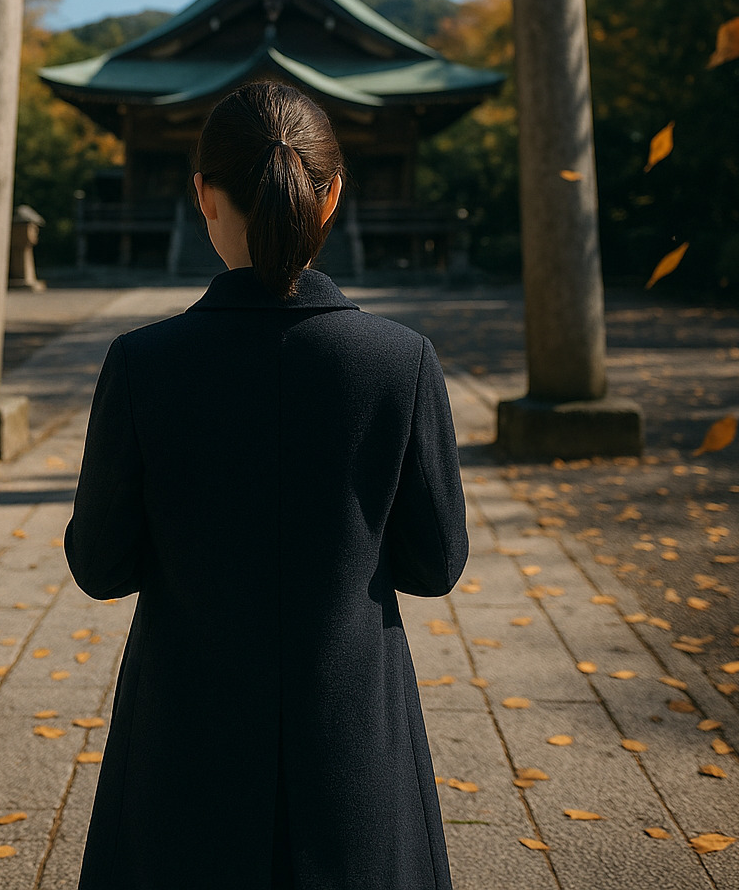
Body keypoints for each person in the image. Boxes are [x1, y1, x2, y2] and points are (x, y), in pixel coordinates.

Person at [64, 80, 469, 890]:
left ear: (203, 195)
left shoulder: (142, 362)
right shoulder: (401, 361)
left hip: (184, 733)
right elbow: (435, 565)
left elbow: (100, 567)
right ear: (333, 197)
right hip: (353, 736)